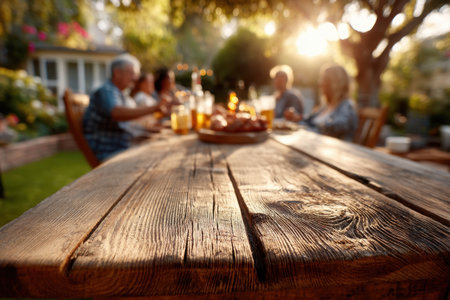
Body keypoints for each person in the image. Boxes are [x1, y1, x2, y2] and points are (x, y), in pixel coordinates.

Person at [83, 54, 165, 162]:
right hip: (110, 152)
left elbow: (129, 124)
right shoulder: (106, 91)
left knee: (162, 151)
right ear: (117, 72)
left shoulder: (120, 94)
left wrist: (149, 130)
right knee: (159, 158)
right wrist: (154, 108)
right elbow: (116, 113)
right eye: (132, 73)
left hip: (124, 147)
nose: (135, 78)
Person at [304, 64, 358, 141]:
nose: (320, 83)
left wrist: (314, 127)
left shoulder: (347, 105)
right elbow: (309, 120)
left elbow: (340, 126)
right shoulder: (326, 106)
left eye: (325, 79)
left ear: (335, 84)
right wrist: (297, 118)